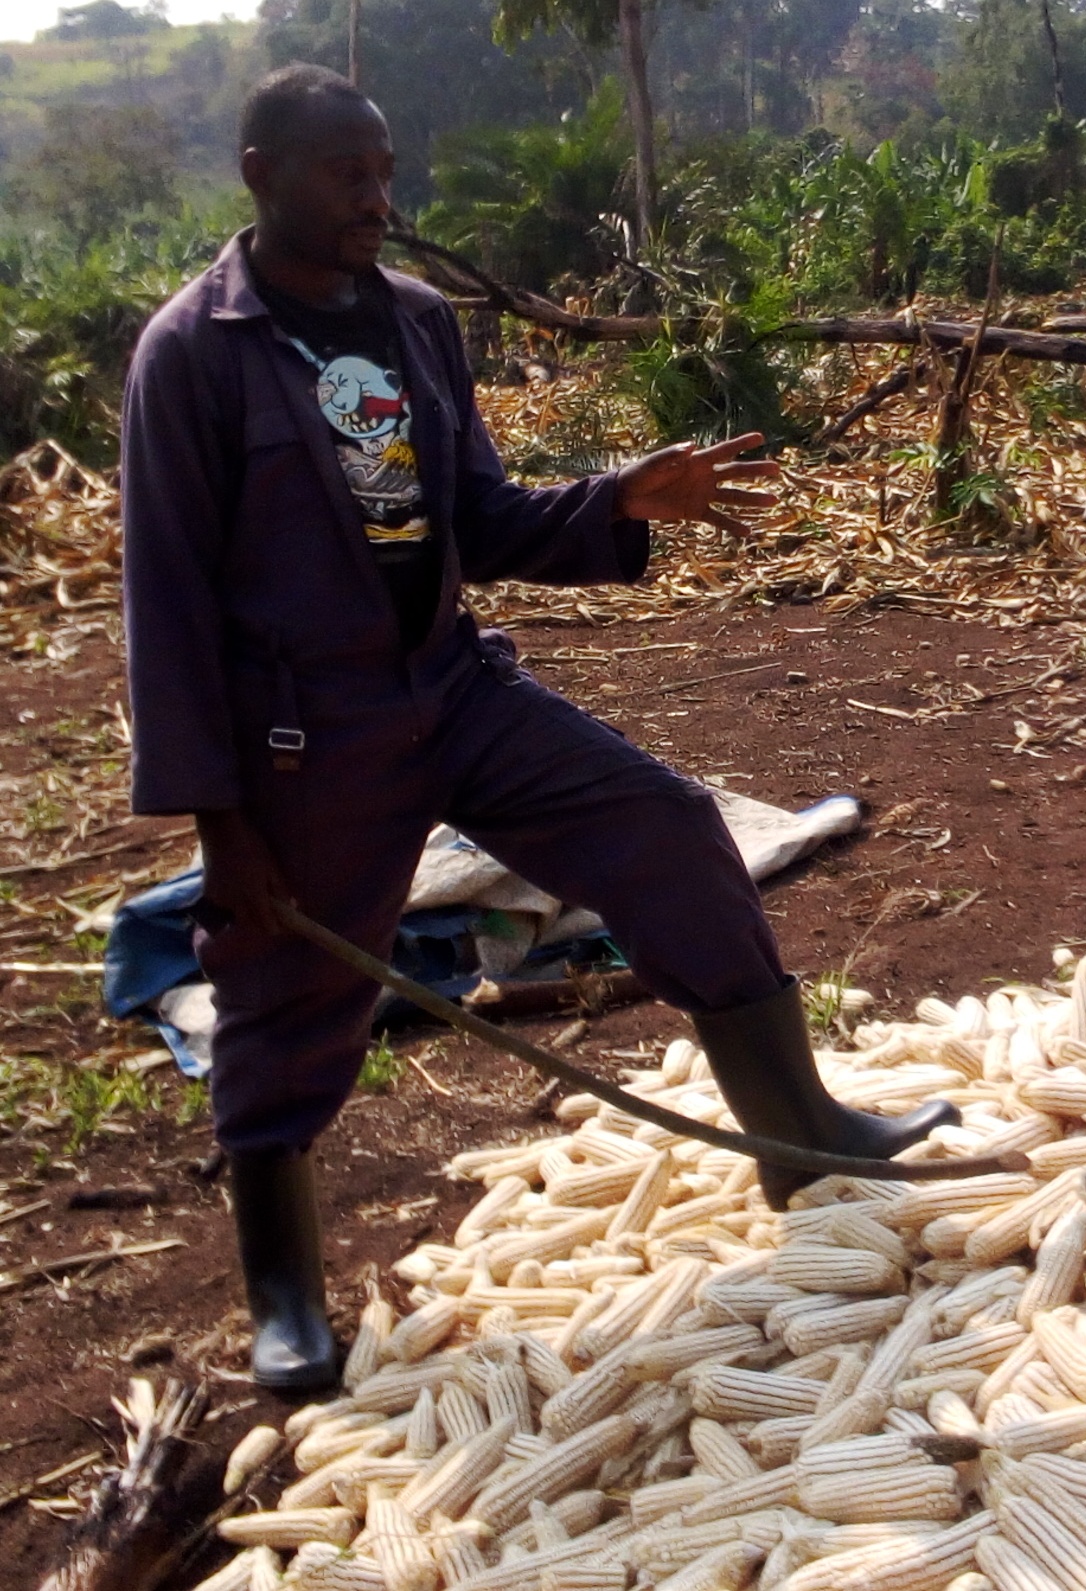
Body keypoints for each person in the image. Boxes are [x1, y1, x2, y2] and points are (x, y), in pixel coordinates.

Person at [119, 63, 953, 1393]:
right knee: (288, 997)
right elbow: (163, 602)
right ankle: (283, 1289)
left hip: (449, 686)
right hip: (302, 737)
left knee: (670, 830)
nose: (378, 200)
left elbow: (484, 521)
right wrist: (223, 831)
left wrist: (618, 501)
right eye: (348, 174)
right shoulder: (195, 355)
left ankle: (798, 1128)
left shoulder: (411, 323)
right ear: (259, 173)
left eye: (386, 171)